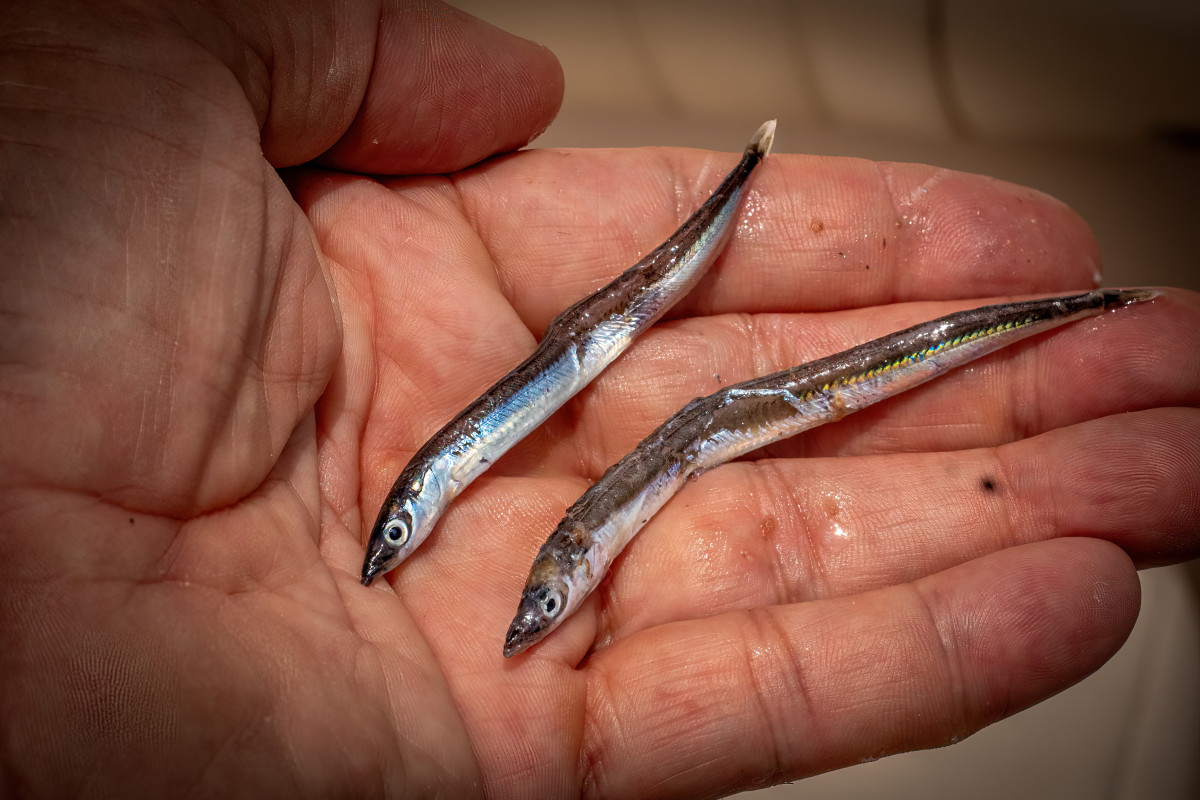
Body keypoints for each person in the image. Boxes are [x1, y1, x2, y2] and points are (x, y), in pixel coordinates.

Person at [1, 1, 1196, 797]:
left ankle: (1056, 302)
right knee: (726, 399)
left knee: (793, 370)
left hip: (698, 386)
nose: (541, 611)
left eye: (544, 595)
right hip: (676, 399)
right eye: (546, 597)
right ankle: (1070, 306)